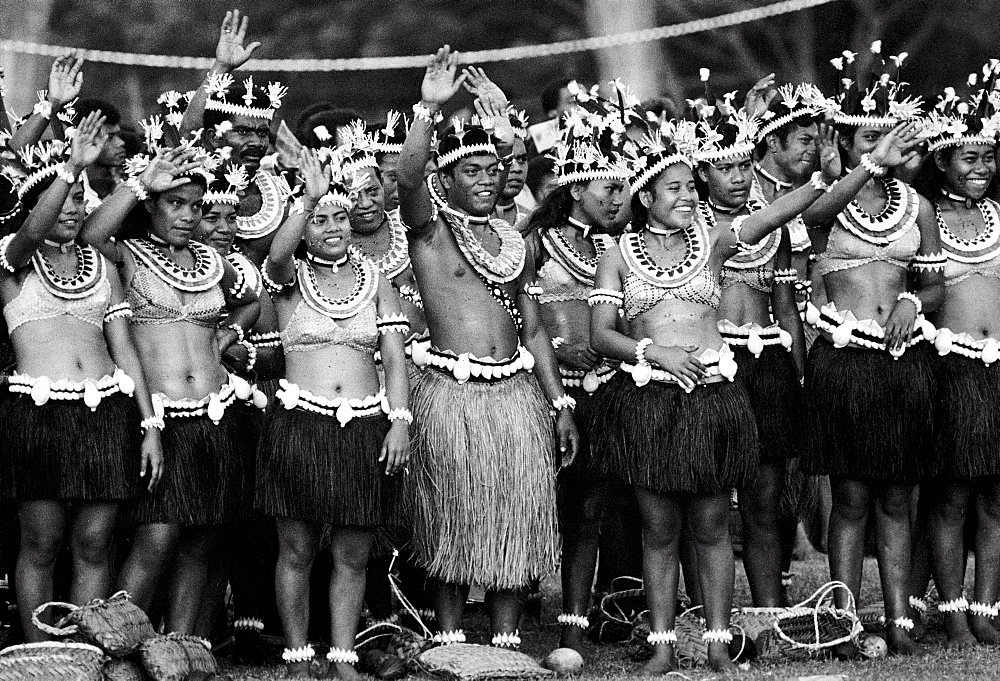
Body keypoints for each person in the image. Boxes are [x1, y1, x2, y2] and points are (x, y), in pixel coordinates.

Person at [590, 113, 837, 673]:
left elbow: (775, 212)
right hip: (651, 399)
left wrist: (821, 181)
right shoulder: (618, 254)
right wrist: (654, 353)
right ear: (645, 195)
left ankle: (720, 643)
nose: (685, 195)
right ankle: (662, 647)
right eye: (672, 188)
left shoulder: (713, 240)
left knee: (711, 526)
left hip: (713, 397)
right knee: (659, 529)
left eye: (687, 186)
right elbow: (601, 335)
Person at [397, 48, 578, 647]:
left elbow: (532, 329)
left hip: (517, 395)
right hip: (450, 393)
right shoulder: (429, 232)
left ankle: (504, 640)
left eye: (490, 169)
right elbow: (406, 175)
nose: (484, 179)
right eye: (469, 171)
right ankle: (450, 642)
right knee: (451, 515)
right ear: (446, 180)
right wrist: (428, 107)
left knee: (516, 518)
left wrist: (558, 405)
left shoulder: (511, 240)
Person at [79, 141, 261, 634]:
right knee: (156, 540)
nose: (187, 216)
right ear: (151, 206)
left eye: (195, 206)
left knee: (200, 539)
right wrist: (140, 184)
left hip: (215, 416)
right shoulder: (128, 256)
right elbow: (90, 233)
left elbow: (253, 298)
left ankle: (175, 649)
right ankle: (111, 644)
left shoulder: (210, 262)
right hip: (159, 419)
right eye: (174, 203)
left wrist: (229, 335)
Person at [800, 43, 944, 655]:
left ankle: (897, 621)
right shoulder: (827, 204)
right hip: (845, 359)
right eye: (864, 143)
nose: (878, 152)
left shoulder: (920, 208)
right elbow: (814, 220)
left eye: (885, 143)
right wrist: (868, 166)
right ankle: (840, 619)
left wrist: (915, 303)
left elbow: (934, 283)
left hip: (903, 361)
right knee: (851, 495)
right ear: (842, 144)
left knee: (897, 495)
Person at [0, 115, 162, 640]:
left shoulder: (103, 266)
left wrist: (150, 424)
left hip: (105, 414)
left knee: (95, 541)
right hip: (38, 415)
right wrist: (69, 168)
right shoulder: (13, 263)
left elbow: (126, 352)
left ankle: (90, 651)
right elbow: (30, 232)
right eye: (62, 198)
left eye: (78, 200)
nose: (72, 208)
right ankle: (37, 652)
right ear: (34, 205)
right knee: (41, 543)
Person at [258, 147, 409, 679]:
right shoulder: (287, 276)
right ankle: (299, 656)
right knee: (296, 549)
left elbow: (393, 359)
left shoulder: (378, 280)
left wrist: (398, 420)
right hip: (301, 423)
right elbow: (275, 255)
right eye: (319, 220)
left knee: (352, 550)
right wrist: (309, 197)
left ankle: (343, 655)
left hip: (365, 425)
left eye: (339, 216)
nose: (331, 227)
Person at [522, 83, 633, 660]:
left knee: (590, 510)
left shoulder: (624, 247)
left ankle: (574, 622)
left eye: (623, 188)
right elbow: (520, 317)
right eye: (607, 187)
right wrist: (560, 350)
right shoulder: (534, 244)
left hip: (608, 392)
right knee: (532, 503)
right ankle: (510, 619)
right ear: (573, 191)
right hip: (543, 389)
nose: (618, 199)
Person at [693, 90, 809, 608]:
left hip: (768, 367)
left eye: (744, 165)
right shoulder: (688, 226)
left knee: (764, 504)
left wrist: (799, 375)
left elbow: (786, 308)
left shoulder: (776, 223)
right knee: (708, 504)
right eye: (724, 169)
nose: (738, 177)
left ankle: (769, 614)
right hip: (713, 369)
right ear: (701, 175)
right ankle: (702, 614)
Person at [909, 73, 1000, 647]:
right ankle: (955, 608)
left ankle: (987, 608)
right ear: (942, 161)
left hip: (999, 371)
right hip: (951, 371)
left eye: (990, 157)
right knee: (950, 498)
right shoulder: (925, 219)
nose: (982, 167)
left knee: (996, 496)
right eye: (969, 157)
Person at [179, 10, 292, 267]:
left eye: (262, 133)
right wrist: (222, 66)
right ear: (214, 138)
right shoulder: (198, 181)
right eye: (242, 132)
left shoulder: (279, 191)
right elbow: (189, 133)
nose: (256, 142)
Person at [492, 109, 530, 228]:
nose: (517, 168)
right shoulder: (467, 221)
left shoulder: (534, 222)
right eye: (507, 160)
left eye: (522, 160)